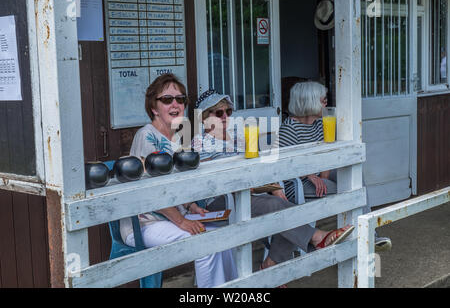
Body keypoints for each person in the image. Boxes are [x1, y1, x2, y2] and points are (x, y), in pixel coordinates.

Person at [192, 89, 355, 279]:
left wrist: (275, 187)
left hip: (250, 195)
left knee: (286, 207)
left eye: (228, 112)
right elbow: (209, 183)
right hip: (220, 201)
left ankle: (270, 265)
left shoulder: (238, 136)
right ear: (204, 118)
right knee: (277, 207)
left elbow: (259, 166)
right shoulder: (200, 142)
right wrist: (247, 184)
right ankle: (317, 238)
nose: (225, 116)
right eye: (218, 113)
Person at [119, 74, 237, 288]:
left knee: (224, 239)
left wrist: (190, 205)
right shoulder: (147, 136)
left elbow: (175, 187)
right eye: (167, 100)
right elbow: (152, 193)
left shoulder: (178, 138)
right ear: (154, 108)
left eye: (180, 99)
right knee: (205, 246)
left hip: (171, 217)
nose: (175, 104)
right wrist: (182, 221)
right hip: (145, 223)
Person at [278, 81, 392, 252]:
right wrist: (310, 175)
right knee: (350, 189)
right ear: (309, 101)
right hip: (297, 183)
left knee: (354, 176)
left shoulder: (319, 123)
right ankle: (362, 236)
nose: (326, 103)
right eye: (323, 100)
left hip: (318, 174)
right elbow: (284, 167)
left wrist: (322, 175)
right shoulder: (289, 129)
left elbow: (327, 154)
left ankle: (367, 234)